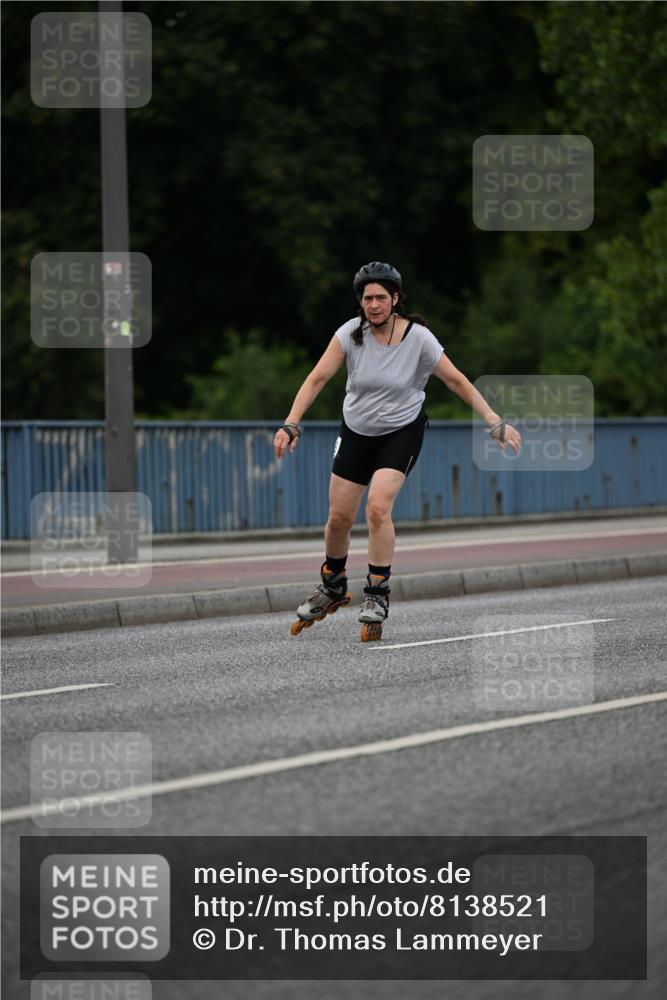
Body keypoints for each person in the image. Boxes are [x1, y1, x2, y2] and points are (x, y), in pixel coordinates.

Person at [274, 261, 521, 641]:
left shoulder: (418, 338)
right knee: (338, 518)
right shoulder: (349, 334)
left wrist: (493, 420)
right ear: (360, 301)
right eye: (367, 298)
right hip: (356, 431)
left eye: (380, 298)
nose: (373, 305)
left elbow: (456, 380)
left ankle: (376, 594)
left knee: (377, 508)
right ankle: (334, 584)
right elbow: (317, 378)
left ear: (395, 299)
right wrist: (291, 422)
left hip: (401, 431)